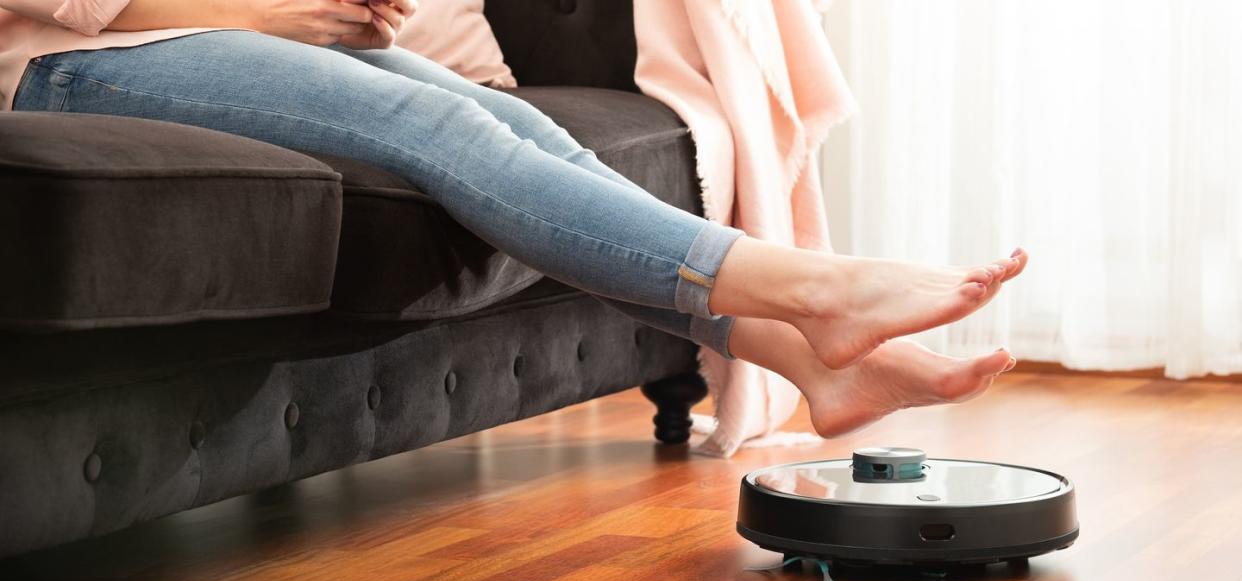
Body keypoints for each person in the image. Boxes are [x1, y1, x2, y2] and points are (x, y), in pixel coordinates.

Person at [0, 0, 1028, 437]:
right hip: (58, 64)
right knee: (421, 116)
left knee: (506, 124)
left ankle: (810, 360)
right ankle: (813, 287)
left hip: (200, 30)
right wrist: (259, 14)